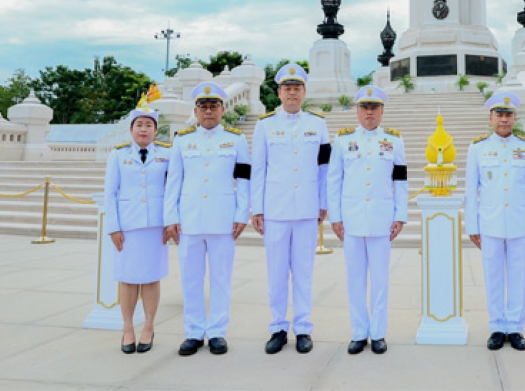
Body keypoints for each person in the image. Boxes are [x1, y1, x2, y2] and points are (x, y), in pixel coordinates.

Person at [164, 81, 251, 357]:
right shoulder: (182, 140)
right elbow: (173, 181)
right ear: (196, 111)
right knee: (190, 279)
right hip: (189, 220)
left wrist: (242, 213)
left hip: (223, 219)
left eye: (214, 106)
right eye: (203, 106)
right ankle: (193, 332)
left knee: (221, 279)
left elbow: (244, 180)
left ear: (223, 110)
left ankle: (216, 332)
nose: (209, 111)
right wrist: (170, 217)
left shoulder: (236, 139)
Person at [251, 63, 331, 355]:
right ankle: (278, 327)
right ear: (279, 93)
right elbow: (258, 169)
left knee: (304, 271)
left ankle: (303, 328)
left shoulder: (318, 124)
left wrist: (323, 202)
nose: (292, 93)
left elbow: (325, 168)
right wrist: (257, 209)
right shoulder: (265, 125)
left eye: (297, 88)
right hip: (275, 209)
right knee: (276, 272)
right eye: (287, 88)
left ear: (304, 92)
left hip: (307, 208)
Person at [327, 85, 408, 355]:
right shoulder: (342, 140)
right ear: (357, 111)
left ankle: (378, 333)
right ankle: (359, 332)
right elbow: (334, 180)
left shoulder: (394, 140)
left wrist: (400, 215)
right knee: (355, 280)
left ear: (382, 111)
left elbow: (400, 181)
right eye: (364, 107)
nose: (369, 112)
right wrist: (336, 217)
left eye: (374, 107)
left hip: (381, 220)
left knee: (381, 281)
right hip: (351, 220)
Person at [465, 91, 525, 352]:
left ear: (515, 118)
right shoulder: (478, 148)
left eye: (508, 115)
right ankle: (497, 326)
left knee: (518, 276)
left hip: (520, 222)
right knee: (493, 275)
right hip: (490, 223)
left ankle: (516, 327)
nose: (504, 119)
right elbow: (470, 190)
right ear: (491, 118)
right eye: (499, 114)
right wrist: (472, 225)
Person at [103, 97, 170, 354]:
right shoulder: (118, 155)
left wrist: (170, 223)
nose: (144, 129)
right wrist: (113, 227)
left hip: (156, 227)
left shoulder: (166, 154)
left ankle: (149, 327)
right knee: (128, 279)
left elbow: (172, 190)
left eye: (148, 125)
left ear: (155, 130)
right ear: (131, 129)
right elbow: (110, 193)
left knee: (151, 278)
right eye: (139, 125)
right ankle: (128, 328)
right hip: (128, 227)